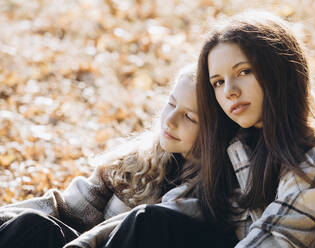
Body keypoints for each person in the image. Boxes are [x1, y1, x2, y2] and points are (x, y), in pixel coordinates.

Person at [194, 11, 315, 247]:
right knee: (151, 221)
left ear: (279, 69)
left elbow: (273, 242)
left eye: (244, 72)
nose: (229, 91)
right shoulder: (248, 140)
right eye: (218, 82)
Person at [0, 64, 228, 248]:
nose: (170, 120)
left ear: (215, 132)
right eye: (171, 103)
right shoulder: (137, 162)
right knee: (33, 224)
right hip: (76, 242)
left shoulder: (211, 193)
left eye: (189, 117)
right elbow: (68, 208)